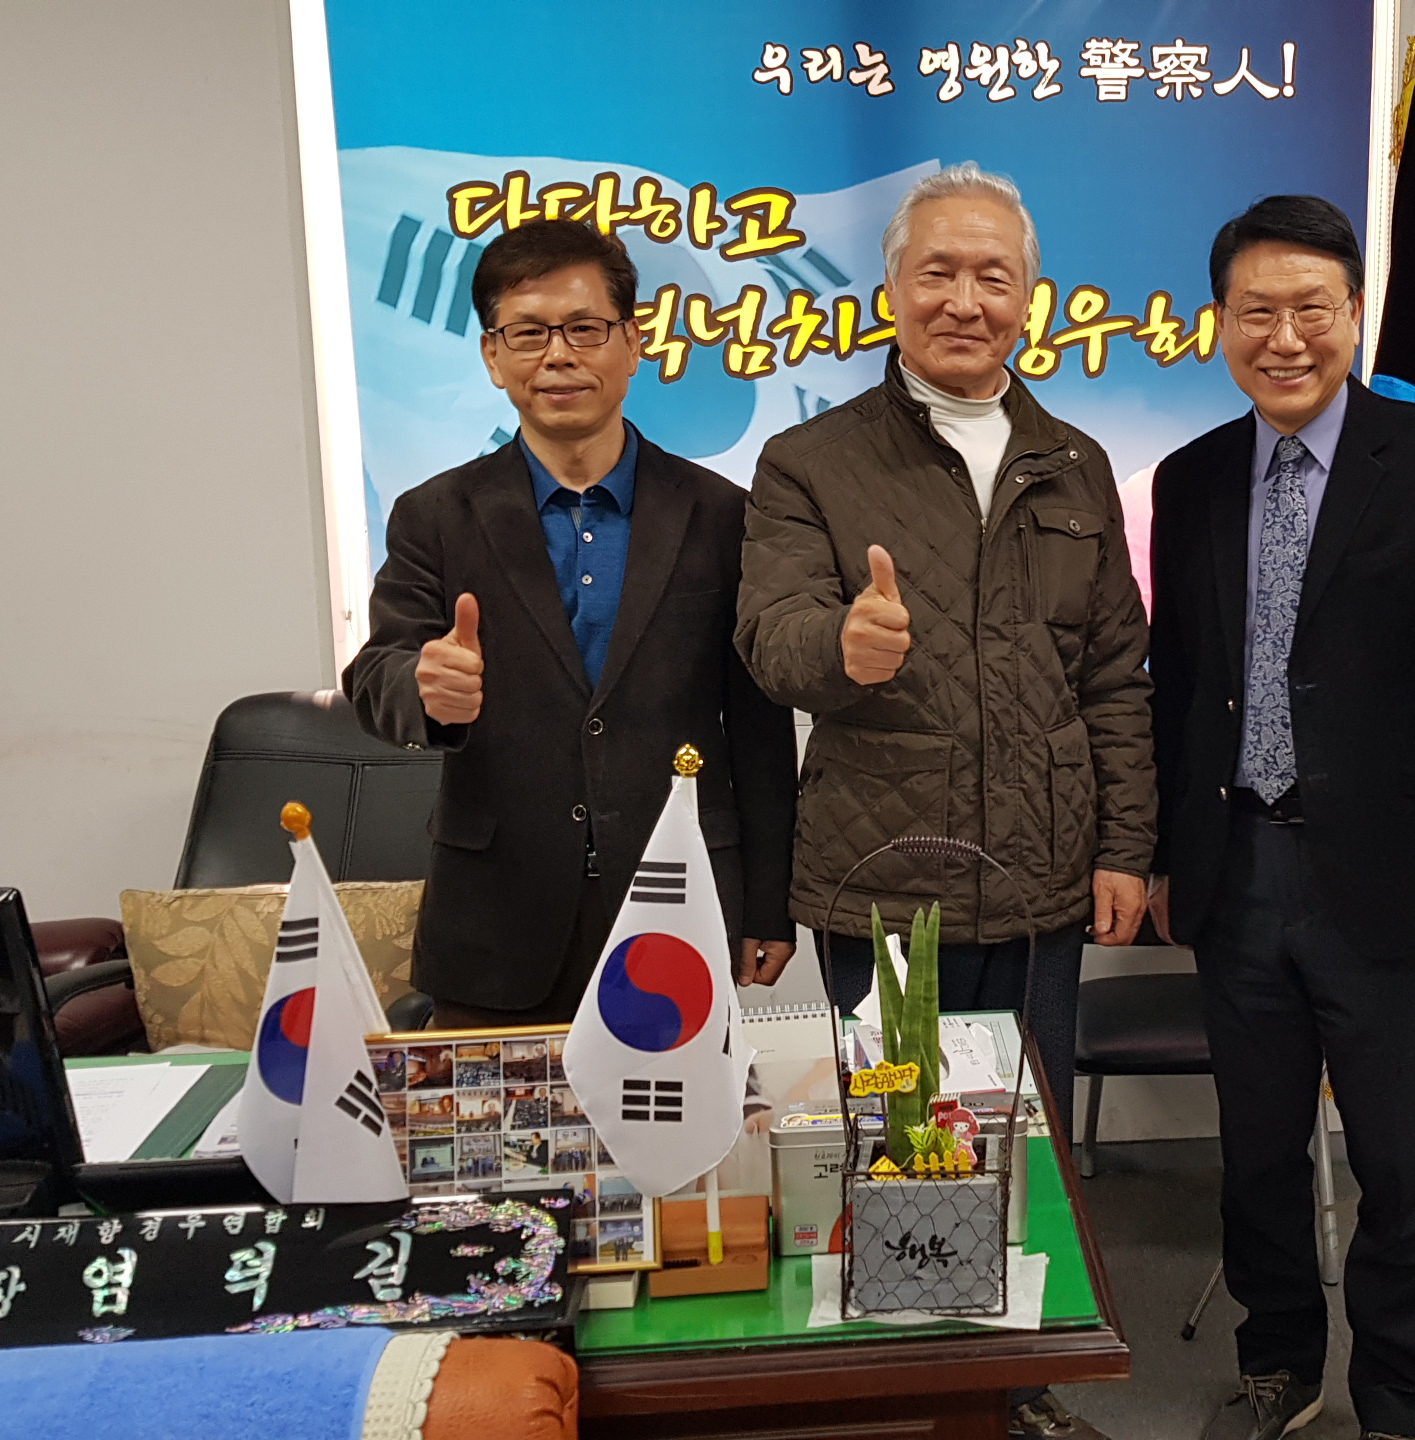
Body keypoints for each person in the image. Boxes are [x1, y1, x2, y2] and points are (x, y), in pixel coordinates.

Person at [735, 163, 1149, 1440]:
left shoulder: (1073, 463)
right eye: (938, 273)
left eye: (992, 277)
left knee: (1025, 1147)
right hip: (884, 885)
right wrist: (842, 648)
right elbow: (772, 634)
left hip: (1039, 882)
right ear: (892, 290)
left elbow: (1114, 676)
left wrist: (1126, 844)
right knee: (900, 1142)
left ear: (1028, 298)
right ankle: (913, 1385)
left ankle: (1012, 1393)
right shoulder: (809, 461)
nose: (964, 301)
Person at [1148, 196, 1415, 1440]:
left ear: (1354, 314)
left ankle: (1396, 1398)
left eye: (1310, 309)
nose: (1284, 337)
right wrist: (1162, 854)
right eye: (1256, 310)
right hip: (1239, 869)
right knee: (1258, 1154)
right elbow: (1178, 681)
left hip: (1384, 875)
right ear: (1220, 322)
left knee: (1401, 1162)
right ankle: (1280, 1364)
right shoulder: (1189, 478)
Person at [345, 219, 798, 1027]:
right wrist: (424, 688)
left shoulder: (722, 515)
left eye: (585, 329)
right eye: (528, 333)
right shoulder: (436, 515)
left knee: (676, 1115)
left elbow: (758, 729)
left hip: (680, 909)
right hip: (495, 918)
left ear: (633, 343)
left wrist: (768, 901)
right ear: (493, 356)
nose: (559, 355)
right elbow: (377, 672)